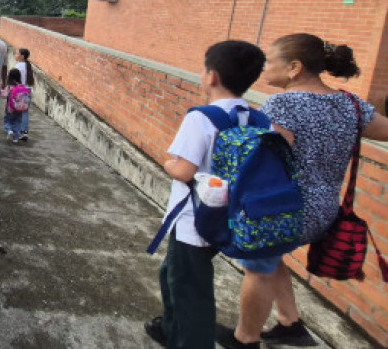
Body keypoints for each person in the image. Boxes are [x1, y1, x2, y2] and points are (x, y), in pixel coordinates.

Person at [226, 33, 388, 349]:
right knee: (273, 256)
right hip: (326, 211)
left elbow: (265, 163)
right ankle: (290, 324)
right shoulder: (352, 105)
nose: (264, 68)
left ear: (294, 67)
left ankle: (244, 340)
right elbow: (384, 129)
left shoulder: (283, 104)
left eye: (270, 62)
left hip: (287, 209)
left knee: (257, 264)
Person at [144, 40, 266, 349]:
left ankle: (188, 340)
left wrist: (167, 162)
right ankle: (170, 328)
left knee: (191, 292)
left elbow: (184, 171)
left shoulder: (202, 117)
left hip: (193, 218)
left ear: (211, 77)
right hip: (227, 215)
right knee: (173, 272)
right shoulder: (256, 118)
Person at [2, 68, 29, 143]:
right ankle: (15, 138)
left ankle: (9, 130)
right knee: (17, 122)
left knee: (7, 121)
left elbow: (4, 95)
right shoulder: (22, 86)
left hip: (10, 108)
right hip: (20, 108)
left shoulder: (9, 86)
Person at [14, 48, 35, 141]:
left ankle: (18, 131)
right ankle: (24, 132)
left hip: (19, 90)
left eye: (17, 54)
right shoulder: (28, 66)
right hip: (27, 90)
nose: (15, 55)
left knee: (17, 111)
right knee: (25, 112)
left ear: (22, 56)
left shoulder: (18, 66)